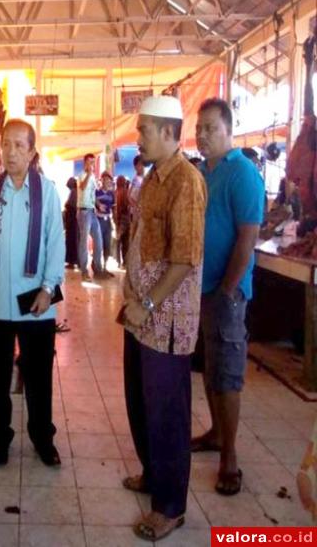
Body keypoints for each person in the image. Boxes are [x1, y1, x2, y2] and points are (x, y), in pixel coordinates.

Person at [121, 96, 207, 541]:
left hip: (165, 318)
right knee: (139, 401)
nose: (138, 139)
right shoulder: (153, 177)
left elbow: (185, 259)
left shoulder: (186, 182)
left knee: (168, 412)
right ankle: (153, 475)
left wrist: (148, 303)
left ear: (170, 134)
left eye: (144, 131)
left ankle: (170, 506)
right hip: (140, 315)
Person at [0, 119, 65, 468]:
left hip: (36, 300)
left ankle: (43, 438)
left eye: (18, 146)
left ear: (32, 152)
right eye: (6, 144)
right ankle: (0, 438)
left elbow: (57, 243)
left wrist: (48, 288)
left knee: (39, 374)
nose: (10, 152)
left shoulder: (47, 191)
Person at [192, 98, 265, 497]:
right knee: (210, 366)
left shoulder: (243, 174)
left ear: (228, 130)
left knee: (229, 374)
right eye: (200, 128)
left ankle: (230, 457)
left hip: (227, 293)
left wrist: (226, 289)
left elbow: (247, 238)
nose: (203, 136)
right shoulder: (203, 172)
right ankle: (217, 433)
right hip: (202, 290)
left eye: (211, 129)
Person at [77, 153, 103, 281]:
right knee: (84, 242)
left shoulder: (92, 176)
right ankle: (83, 271)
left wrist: (98, 205)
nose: (92, 164)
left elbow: (92, 193)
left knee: (98, 240)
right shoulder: (82, 175)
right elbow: (82, 187)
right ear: (85, 163)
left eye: (93, 162)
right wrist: (88, 174)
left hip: (92, 211)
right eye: (90, 162)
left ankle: (97, 268)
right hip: (83, 212)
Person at [95, 172, 115, 277]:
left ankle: (105, 267)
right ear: (101, 180)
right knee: (99, 245)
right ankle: (97, 268)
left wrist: (114, 221)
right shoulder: (97, 192)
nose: (107, 182)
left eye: (109, 180)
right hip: (99, 220)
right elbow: (93, 201)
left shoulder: (112, 194)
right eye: (105, 180)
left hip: (108, 221)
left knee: (107, 244)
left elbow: (113, 207)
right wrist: (98, 205)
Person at [114, 175, 131, 268]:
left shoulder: (116, 192)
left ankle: (118, 261)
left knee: (118, 241)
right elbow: (127, 205)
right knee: (126, 242)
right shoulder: (126, 192)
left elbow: (117, 209)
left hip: (120, 220)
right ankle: (125, 261)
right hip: (127, 219)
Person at [64, 177, 79, 268]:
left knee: (71, 240)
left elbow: (69, 205)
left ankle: (71, 261)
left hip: (72, 221)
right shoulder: (76, 192)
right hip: (74, 221)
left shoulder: (73, 192)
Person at [128, 154, 145, 220]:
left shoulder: (145, 178)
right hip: (136, 213)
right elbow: (129, 196)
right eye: (140, 165)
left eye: (143, 164)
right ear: (135, 167)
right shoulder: (136, 179)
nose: (143, 167)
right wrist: (136, 206)